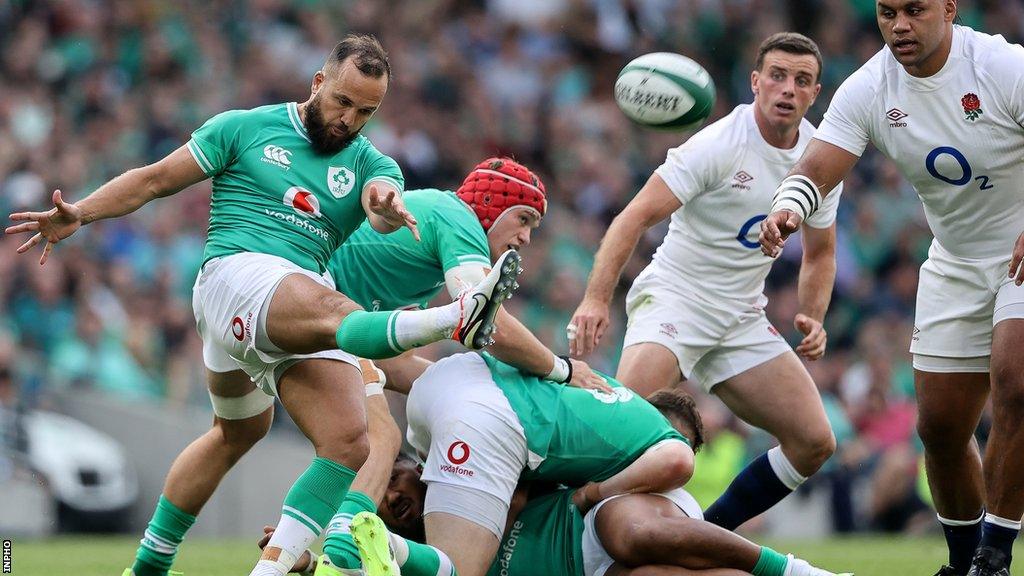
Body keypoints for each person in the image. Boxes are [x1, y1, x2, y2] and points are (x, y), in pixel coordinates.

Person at [5, 35, 520, 576]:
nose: (349, 119)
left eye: (365, 111)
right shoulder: (245, 127)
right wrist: (80, 213)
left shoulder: (373, 163)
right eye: (342, 102)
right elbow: (154, 180)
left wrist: (387, 207)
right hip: (236, 275)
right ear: (317, 82)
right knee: (335, 310)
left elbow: (379, 206)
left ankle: (156, 569)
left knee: (334, 440)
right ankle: (456, 317)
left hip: (286, 308)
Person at [758, 3, 1024, 575]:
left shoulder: (1002, 65)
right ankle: (963, 564)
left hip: (1022, 247)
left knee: (1016, 376)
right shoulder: (869, 88)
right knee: (940, 429)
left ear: (949, 8)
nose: (900, 24)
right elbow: (817, 166)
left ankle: (996, 558)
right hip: (954, 261)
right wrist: (786, 207)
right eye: (887, 11)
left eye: (915, 9)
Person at [568, 32, 840, 531]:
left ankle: (707, 535)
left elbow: (820, 254)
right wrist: (595, 299)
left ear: (814, 92)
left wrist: (813, 313)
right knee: (616, 432)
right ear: (756, 82)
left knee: (814, 441)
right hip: (677, 299)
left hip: (740, 315)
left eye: (801, 81)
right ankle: (558, 528)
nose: (787, 89)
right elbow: (633, 218)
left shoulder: (821, 160)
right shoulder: (718, 145)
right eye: (777, 76)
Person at [257, 382, 850, 576]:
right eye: (386, 508)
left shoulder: (472, 458)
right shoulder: (424, 551)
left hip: (605, 522)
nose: (392, 499)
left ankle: (792, 571)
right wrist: (309, 563)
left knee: (624, 529)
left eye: (393, 489)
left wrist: (598, 486)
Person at [327, 157, 607, 391]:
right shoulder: (458, 217)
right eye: (523, 219)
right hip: (320, 293)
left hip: (328, 316)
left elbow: (394, 364)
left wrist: (484, 394)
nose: (526, 238)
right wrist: (562, 370)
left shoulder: (431, 261)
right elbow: (486, 321)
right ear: (490, 204)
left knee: (377, 443)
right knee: (376, 439)